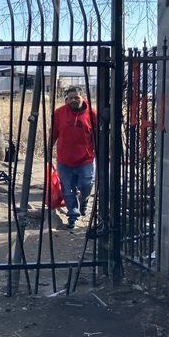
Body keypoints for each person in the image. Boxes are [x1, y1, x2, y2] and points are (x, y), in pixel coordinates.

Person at [51, 85, 97, 229]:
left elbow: (97, 136)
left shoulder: (92, 114)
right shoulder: (59, 113)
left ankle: (84, 201)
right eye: (70, 98)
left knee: (87, 185)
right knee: (68, 190)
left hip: (86, 160)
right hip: (65, 160)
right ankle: (73, 215)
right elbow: (53, 133)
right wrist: (48, 150)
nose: (73, 100)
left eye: (76, 97)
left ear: (82, 97)